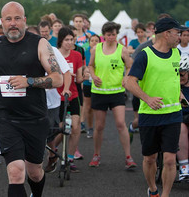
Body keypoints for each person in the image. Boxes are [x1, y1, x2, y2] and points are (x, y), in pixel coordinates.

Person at [0, 1, 63, 197]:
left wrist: (29, 81)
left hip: (35, 118)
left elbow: (58, 79)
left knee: (35, 171)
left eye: (17, 18)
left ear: (24, 20)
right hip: (6, 118)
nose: (13, 23)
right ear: (2, 22)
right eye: (8, 19)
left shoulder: (40, 44)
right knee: (15, 172)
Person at [125, 17, 186, 197]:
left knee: (169, 160)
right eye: (178, 33)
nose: (180, 37)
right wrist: (147, 98)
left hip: (173, 114)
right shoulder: (145, 55)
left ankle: (165, 195)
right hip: (149, 114)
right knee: (150, 159)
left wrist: (181, 97)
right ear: (167, 34)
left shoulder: (177, 54)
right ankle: (153, 190)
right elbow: (129, 82)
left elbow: (174, 80)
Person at [88, 21, 137, 169]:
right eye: (108, 35)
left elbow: (129, 66)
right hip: (99, 92)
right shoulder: (96, 49)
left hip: (117, 92)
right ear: (104, 36)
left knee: (121, 124)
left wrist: (126, 77)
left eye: (114, 35)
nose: (111, 37)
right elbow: (90, 65)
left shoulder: (122, 50)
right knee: (100, 126)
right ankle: (96, 155)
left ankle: (129, 157)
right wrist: (93, 75)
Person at [25, 26, 71, 174]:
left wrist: (66, 88)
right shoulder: (21, 53)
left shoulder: (52, 50)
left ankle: (52, 155)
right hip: (29, 100)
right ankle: (31, 162)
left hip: (51, 101)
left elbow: (66, 72)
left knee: (50, 131)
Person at [54, 27, 83, 172]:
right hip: (57, 96)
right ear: (61, 40)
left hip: (73, 94)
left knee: (75, 127)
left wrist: (85, 76)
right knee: (61, 128)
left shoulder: (77, 55)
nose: (69, 42)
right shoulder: (54, 55)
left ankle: (70, 158)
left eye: (72, 40)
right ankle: (53, 151)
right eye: (67, 40)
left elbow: (79, 78)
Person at [82, 34, 101, 139]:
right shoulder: (85, 53)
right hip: (87, 83)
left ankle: (98, 128)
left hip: (98, 82)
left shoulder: (102, 53)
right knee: (88, 107)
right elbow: (81, 66)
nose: (94, 42)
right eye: (92, 40)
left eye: (96, 40)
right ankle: (90, 128)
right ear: (89, 43)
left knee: (97, 108)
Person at [178, 55, 189, 181]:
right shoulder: (173, 85)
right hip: (178, 116)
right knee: (181, 129)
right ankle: (184, 166)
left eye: (182, 75)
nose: (180, 78)